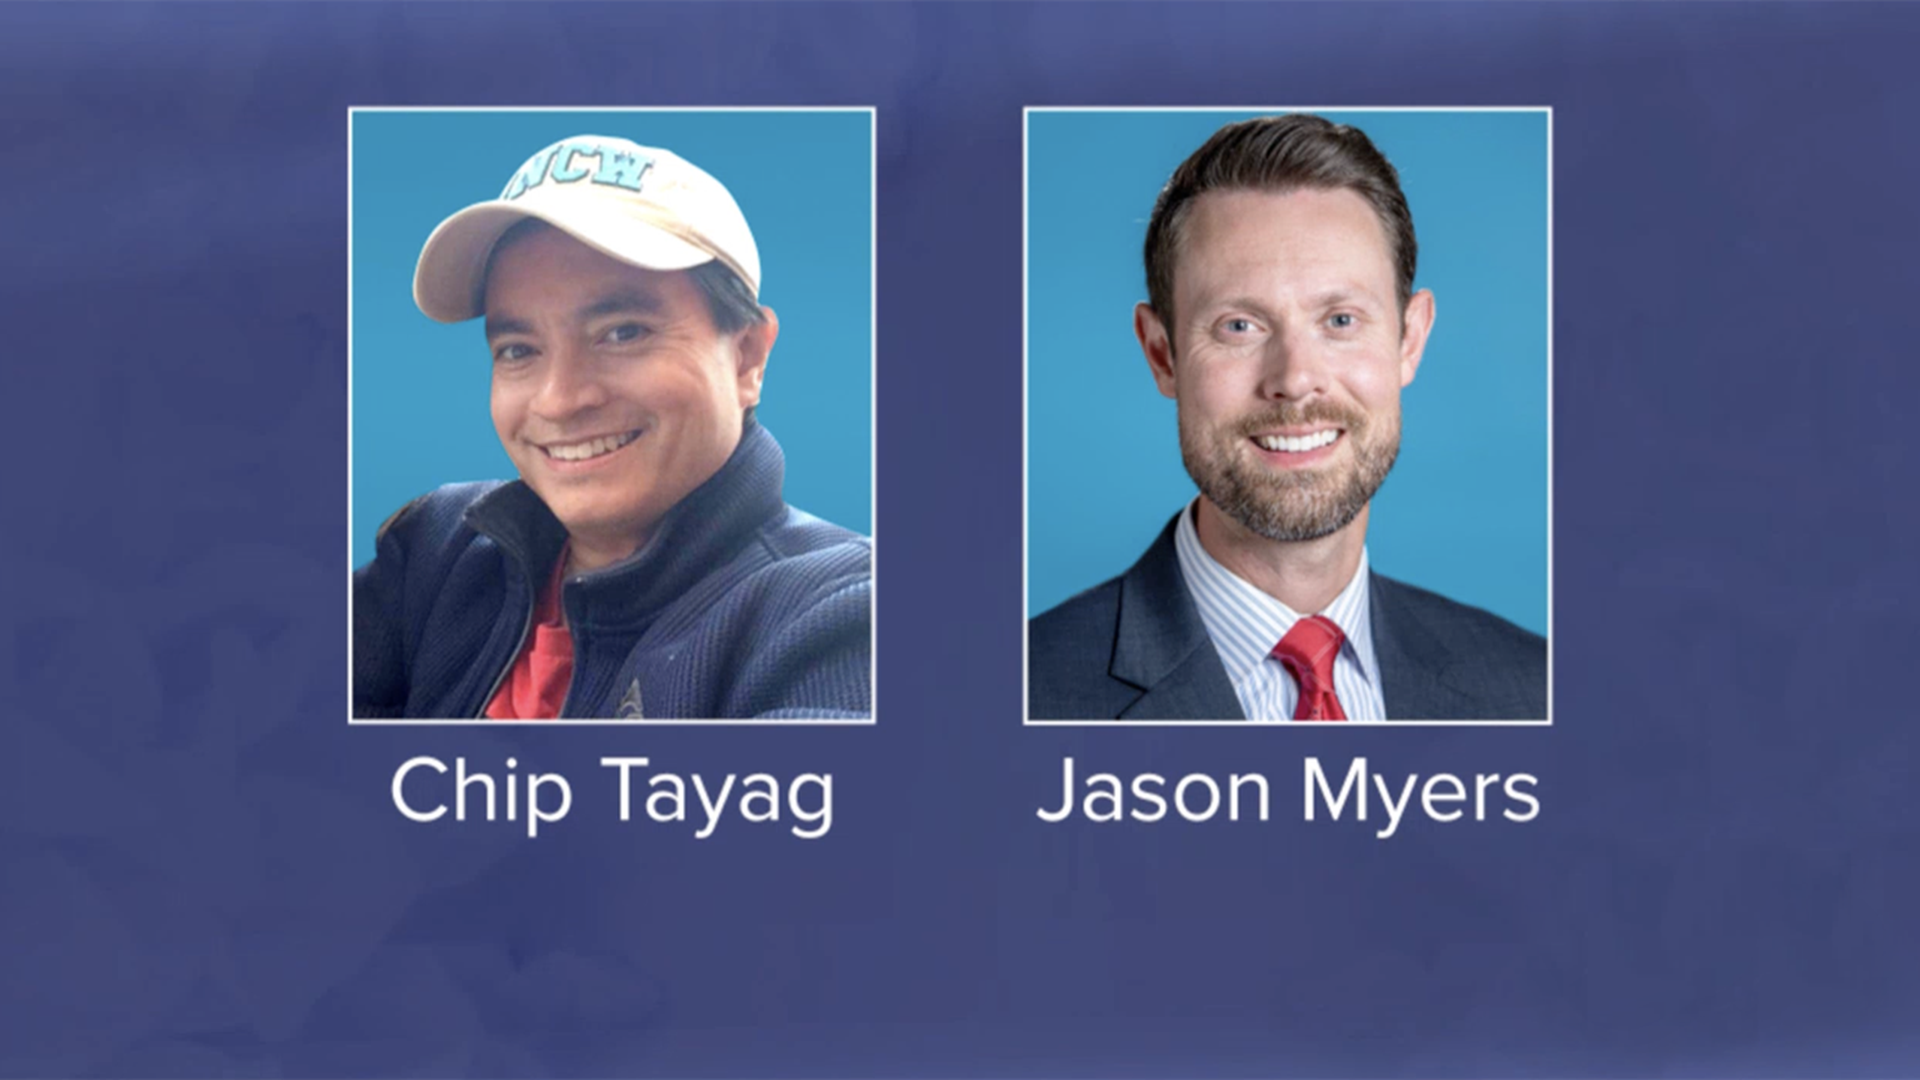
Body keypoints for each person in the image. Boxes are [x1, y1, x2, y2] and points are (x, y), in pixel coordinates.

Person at [1028, 114, 1544, 721]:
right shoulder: (1017, 692)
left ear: (1410, 339)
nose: (1295, 379)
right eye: (1239, 326)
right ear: (1162, 355)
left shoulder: (1533, 688)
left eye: (1341, 321)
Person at [354, 134, 871, 719]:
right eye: (519, 349)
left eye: (624, 332)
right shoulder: (437, 553)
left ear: (748, 356)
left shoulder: (844, 617)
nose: (560, 399)